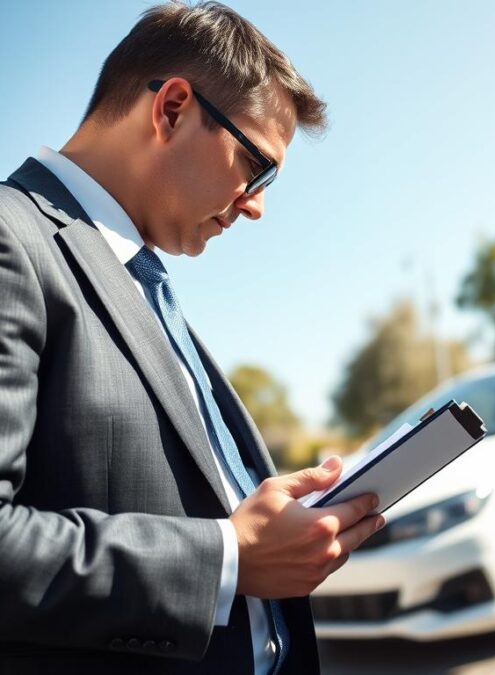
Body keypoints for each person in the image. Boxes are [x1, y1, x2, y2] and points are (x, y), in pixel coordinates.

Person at [0, 3, 382, 673]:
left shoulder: (145, 284)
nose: (257, 204)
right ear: (173, 109)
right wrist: (228, 557)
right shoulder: (14, 241)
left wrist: (264, 517)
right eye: (257, 166)